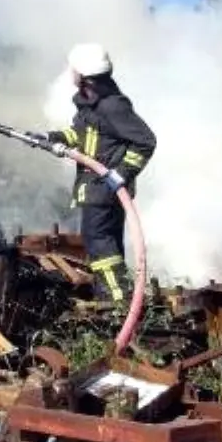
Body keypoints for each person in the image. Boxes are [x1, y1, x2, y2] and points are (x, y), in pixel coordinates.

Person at [46, 44, 156, 303]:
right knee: (105, 244)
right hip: (95, 187)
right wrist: (53, 137)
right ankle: (114, 297)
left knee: (100, 243)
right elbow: (80, 135)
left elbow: (146, 141)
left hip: (104, 189)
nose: (70, 73)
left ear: (84, 75)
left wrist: (121, 173)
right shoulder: (91, 104)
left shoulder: (112, 106)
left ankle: (117, 302)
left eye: (73, 69)